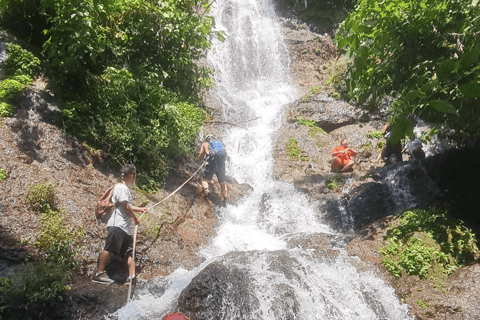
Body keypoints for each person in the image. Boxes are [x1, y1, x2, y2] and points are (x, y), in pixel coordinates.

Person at [92, 163, 147, 285]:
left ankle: (132, 277)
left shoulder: (123, 188)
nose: (134, 179)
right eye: (134, 176)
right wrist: (136, 218)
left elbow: (126, 206)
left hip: (125, 228)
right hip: (117, 225)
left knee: (129, 252)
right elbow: (126, 207)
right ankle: (98, 274)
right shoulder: (121, 188)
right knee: (109, 248)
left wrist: (140, 209)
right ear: (131, 175)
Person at [198, 134, 227, 201]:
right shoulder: (219, 144)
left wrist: (200, 158)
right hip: (221, 164)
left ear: (206, 139)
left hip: (212, 163)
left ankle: (206, 191)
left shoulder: (205, 144)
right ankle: (225, 198)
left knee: (205, 180)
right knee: (222, 182)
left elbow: (201, 156)